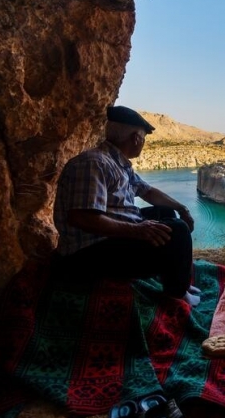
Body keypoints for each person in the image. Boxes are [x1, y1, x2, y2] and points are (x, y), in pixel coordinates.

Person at [53, 106, 199, 304]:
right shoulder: (93, 164)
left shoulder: (116, 163)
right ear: (136, 138)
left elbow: (147, 191)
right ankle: (177, 293)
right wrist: (137, 230)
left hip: (109, 239)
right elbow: (81, 217)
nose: (143, 144)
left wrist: (182, 208)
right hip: (89, 254)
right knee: (179, 231)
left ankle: (176, 278)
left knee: (166, 212)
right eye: (143, 139)